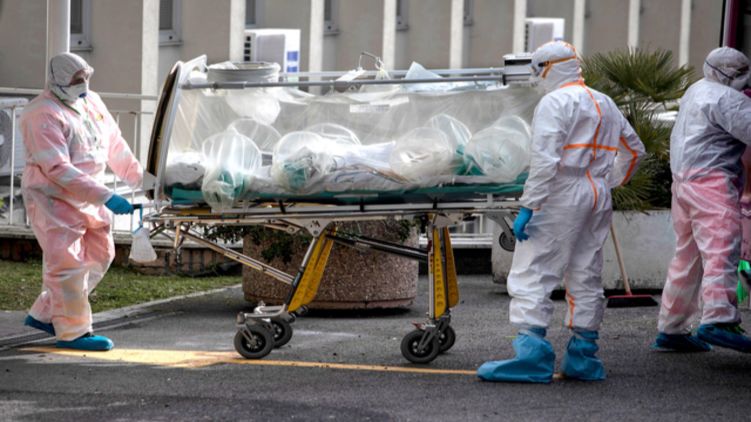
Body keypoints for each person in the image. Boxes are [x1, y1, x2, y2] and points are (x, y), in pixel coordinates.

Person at [477, 41, 645, 383]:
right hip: (596, 194)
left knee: (533, 268)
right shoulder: (605, 102)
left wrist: (529, 205)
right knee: (585, 271)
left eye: (538, 70)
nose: (536, 78)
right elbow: (635, 151)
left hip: (560, 193)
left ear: (550, 68)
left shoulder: (554, 103)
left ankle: (532, 357)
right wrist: (607, 181)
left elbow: (545, 161)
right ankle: (584, 356)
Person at [20, 52, 143, 351]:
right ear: (58, 80)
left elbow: (114, 144)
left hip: (89, 194)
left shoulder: (92, 102)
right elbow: (57, 168)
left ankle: (46, 313)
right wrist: (106, 196)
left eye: (86, 77)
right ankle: (73, 332)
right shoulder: (41, 114)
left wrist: (140, 179)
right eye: (77, 79)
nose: (84, 84)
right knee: (68, 265)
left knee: (102, 254)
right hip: (53, 198)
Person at [653, 47, 751, 353]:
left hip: (683, 183)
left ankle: (671, 328)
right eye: (741, 73)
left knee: (688, 258)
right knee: (721, 249)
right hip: (711, 183)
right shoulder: (727, 99)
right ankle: (719, 319)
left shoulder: (696, 89)